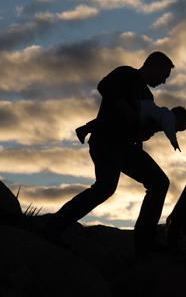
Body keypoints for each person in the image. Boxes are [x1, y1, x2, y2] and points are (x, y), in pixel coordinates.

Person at [41, 51, 178, 255]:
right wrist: (128, 112)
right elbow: (104, 86)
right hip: (106, 142)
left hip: (128, 147)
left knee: (159, 182)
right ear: (155, 66)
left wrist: (149, 130)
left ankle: (144, 242)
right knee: (104, 188)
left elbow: (139, 128)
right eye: (164, 76)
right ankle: (52, 228)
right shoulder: (126, 73)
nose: (163, 82)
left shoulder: (148, 96)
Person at [76, 104, 186, 151]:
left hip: (139, 112)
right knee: (111, 121)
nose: (176, 131)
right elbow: (169, 127)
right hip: (138, 110)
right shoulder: (169, 117)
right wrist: (174, 142)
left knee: (111, 122)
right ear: (178, 119)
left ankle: (85, 129)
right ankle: (85, 129)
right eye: (179, 129)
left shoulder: (164, 118)